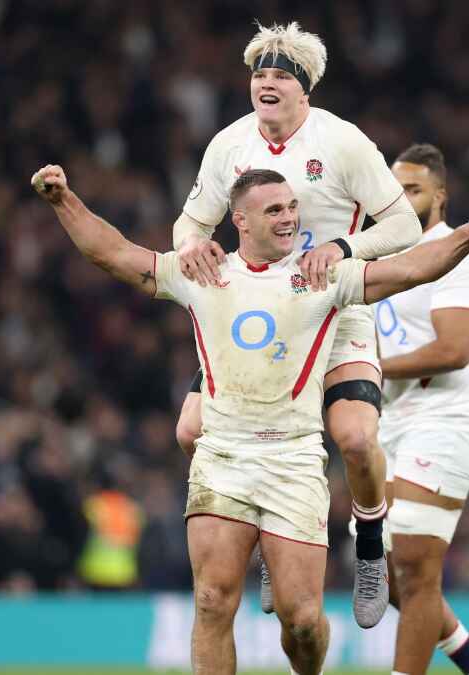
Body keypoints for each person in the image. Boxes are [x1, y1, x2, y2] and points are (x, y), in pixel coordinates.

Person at [30, 164, 469, 675]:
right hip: (223, 458)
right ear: (240, 221)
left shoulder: (322, 275)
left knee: (302, 621)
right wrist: (63, 201)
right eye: (275, 210)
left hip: (294, 461)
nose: (290, 218)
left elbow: (409, 269)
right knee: (211, 601)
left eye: (293, 208)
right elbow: (115, 253)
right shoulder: (202, 274)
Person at [172, 21, 424, 626]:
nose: (268, 83)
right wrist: (190, 248)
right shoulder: (229, 145)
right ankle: (266, 530)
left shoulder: (343, 143)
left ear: (304, 89)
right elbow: (191, 223)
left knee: (358, 438)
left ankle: (368, 547)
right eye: (260, 73)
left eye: (282, 75)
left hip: (334, 313)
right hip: (256, 316)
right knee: (189, 432)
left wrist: (342, 247)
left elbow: (405, 227)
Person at [373, 144, 469, 675]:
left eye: (413, 190)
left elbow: (454, 349)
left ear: (440, 195)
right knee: (381, 574)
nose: (402, 199)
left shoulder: (454, 254)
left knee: (415, 570)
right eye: (395, 190)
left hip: (444, 417)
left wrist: (375, 368)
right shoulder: (383, 258)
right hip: (391, 423)